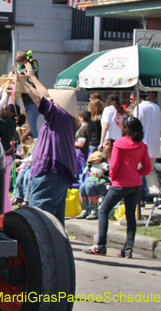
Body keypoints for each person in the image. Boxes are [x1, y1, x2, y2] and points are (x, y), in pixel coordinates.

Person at [14, 62, 77, 227]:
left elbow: (38, 99)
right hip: (59, 172)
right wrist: (33, 78)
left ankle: (42, 250)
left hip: (50, 171)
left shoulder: (59, 115)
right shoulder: (65, 117)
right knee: (54, 219)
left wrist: (23, 81)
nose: (51, 101)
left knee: (40, 219)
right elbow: (45, 97)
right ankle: (58, 250)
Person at [86, 116, 151, 258]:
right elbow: (147, 168)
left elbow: (114, 165)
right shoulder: (142, 145)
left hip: (120, 183)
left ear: (125, 128)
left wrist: (113, 177)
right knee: (130, 217)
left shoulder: (119, 144)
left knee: (103, 211)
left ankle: (101, 246)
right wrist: (135, 173)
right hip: (135, 184)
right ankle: (128, 249)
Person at [133, 91, 161, 196]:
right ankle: (156, 196)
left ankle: (137, 196)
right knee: (151, 171)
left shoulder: (139, 108)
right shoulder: (156, 107)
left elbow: (134, 126)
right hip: (154, 144)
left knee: (137, 171)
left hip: (141, 144)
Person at [77, 151, 109, 220]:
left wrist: (101, 175)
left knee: (89, 186)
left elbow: (109, 176)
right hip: (92, 182)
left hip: (102, 184)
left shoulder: (104, 165)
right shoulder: (91, 166)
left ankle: (94, 211)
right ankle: (84, 210)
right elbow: (87, 165)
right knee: (82, 186)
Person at [15, 50, 41, 138]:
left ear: (24, 61)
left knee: (31, 127)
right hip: (24, 103)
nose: (19, 64)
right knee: (25, 128)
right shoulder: (20, 67)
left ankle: (35, 145)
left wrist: (22, 74)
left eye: (20, 62)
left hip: (32, 103)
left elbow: (30, 77)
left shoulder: (31, 69)